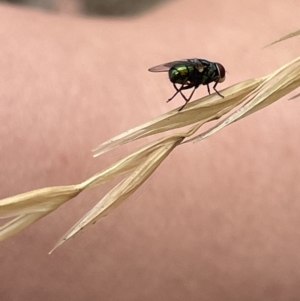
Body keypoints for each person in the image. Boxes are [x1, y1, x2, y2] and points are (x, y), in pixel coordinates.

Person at [1, 1, 300, 300]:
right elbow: (196, 79)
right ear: (216, 73)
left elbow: (187, 73)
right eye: (219, 77)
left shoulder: (203, 69)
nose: (218, 80)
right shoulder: (206, 73)